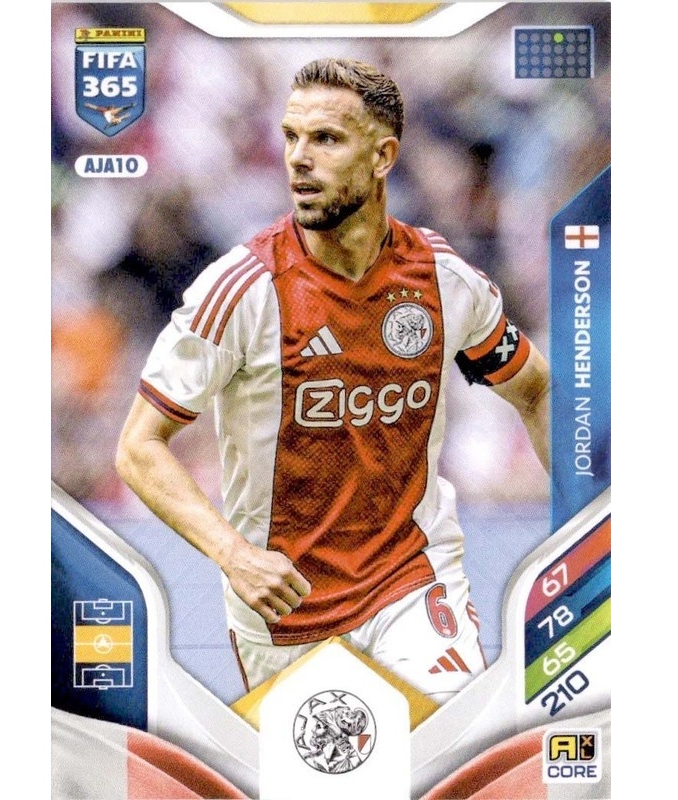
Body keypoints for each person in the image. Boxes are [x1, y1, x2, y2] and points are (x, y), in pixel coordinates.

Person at [115, 58, 550, 705]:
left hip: (411, 581)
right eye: (291, 137)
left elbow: (536, 390)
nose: (299, 158)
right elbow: (138, 447)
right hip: (285, 609)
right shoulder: (242, 290)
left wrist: (584, 523)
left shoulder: (442, 280)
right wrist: (233, 555)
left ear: (382, 157)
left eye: (326, 139)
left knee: (450, 740)